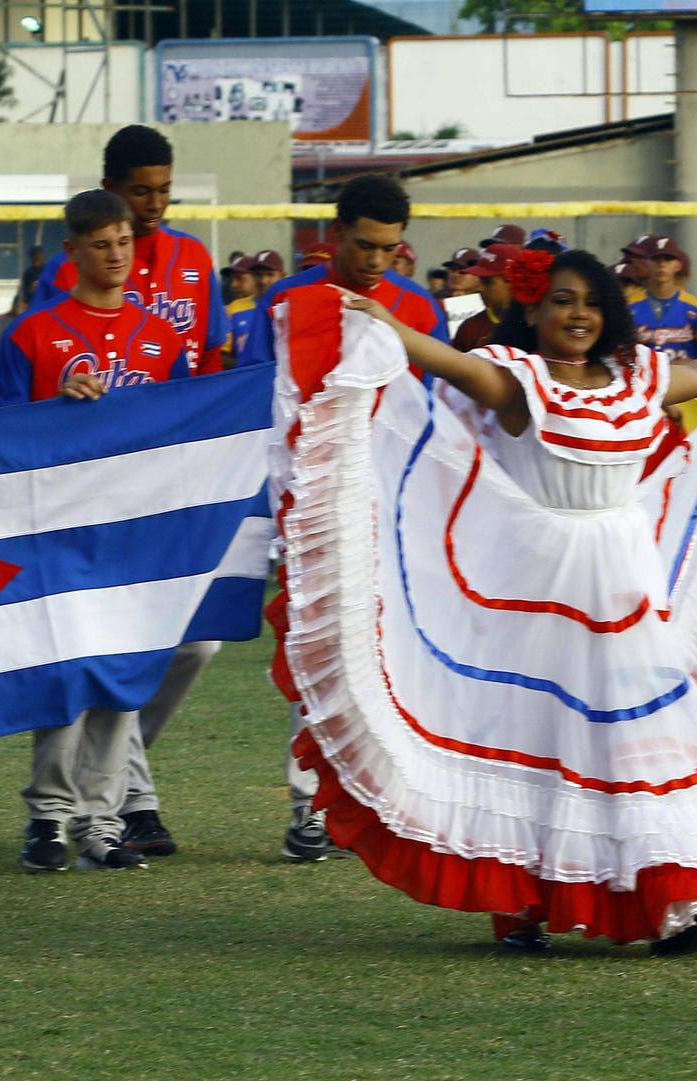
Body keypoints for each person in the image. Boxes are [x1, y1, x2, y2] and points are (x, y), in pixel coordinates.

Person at [279, 247, 697, 953]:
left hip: (627, 588)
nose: (578, 314)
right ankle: (520, 906)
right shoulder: (521, 380)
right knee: (536, 743)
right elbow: (455, 366)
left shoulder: (637, 378)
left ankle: (687, 893)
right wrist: (390, 328)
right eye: (562, 300)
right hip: (541, 592)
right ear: (535, 311)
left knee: (650, 740)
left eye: (591, 301)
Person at [237, 174, 449, 861]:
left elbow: (441, 413)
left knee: (397, 657)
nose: (377, 261)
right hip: (310, 513)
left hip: (397, 513)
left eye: (390, 248)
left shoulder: (418, 307)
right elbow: (249, 408)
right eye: (364, 245)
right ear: (334, 235)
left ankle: (388, 798)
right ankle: (310, 808)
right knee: (319, 652)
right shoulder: (286, 303)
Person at [0, 189, 190, 873]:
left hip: (134, 533)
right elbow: (0, 434)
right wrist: (55, 405)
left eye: (125, 241)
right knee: (69, 674)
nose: (115, 255)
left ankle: (102, 822)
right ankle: (48, 819)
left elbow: (186, 434)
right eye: (100, 243)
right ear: (72, 250)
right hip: (58, 528)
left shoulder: (162, 338)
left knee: (122, 676)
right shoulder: (34, 333)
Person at [29, 125, 227, 374]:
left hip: (182, 409)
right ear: (109, 187)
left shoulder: (193, 254)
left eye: (164, 190)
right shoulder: (67, 269)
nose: (155, 204)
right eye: (141, 192)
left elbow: (210, 357)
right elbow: (36, 355)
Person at [629, 235, 697, 362]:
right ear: (646, 264)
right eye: (655, 259)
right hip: (644, 379)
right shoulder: (628, 306)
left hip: (686, 379)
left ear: (678, 265)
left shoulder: (696, 308)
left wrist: (694, 363)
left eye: (668, 259)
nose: (661, 265)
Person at [451, 244, 516, 352]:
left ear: (511, 281)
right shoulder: (469, 329)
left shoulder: (534, 324)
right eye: (480, 281)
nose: (480, 288)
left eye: (487, 282)